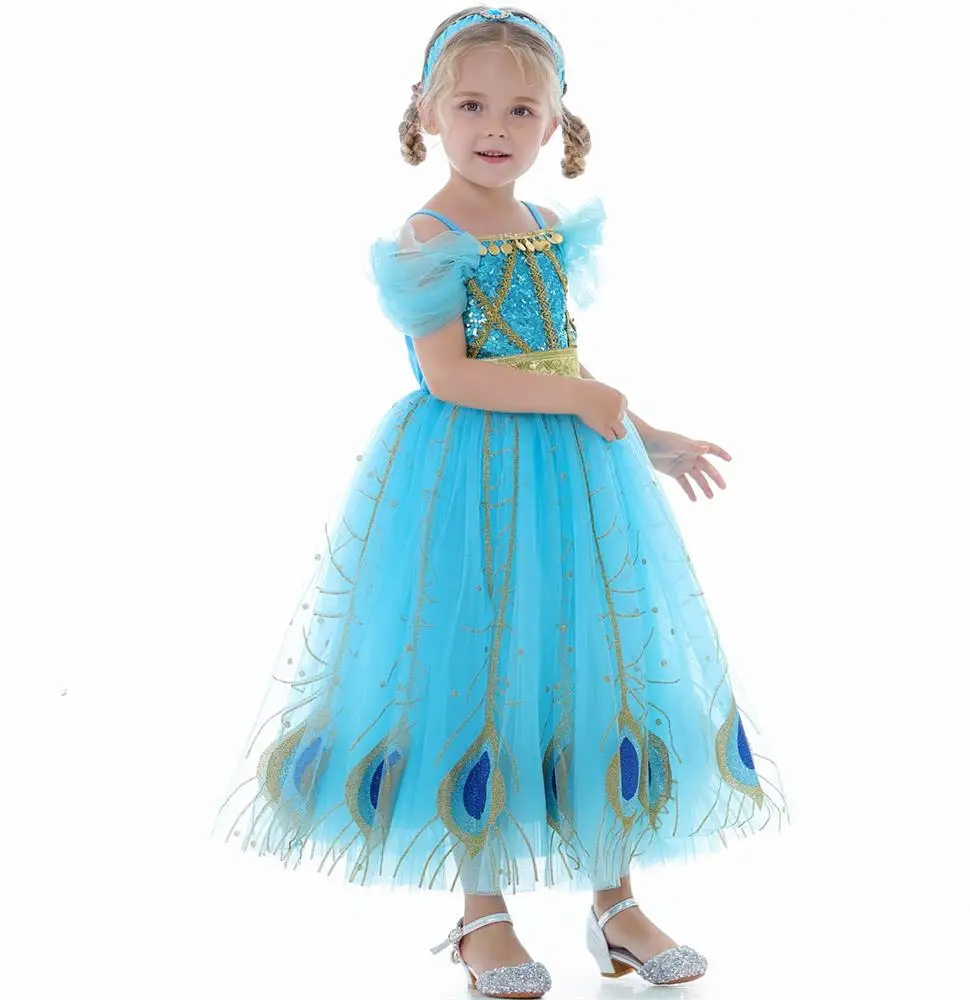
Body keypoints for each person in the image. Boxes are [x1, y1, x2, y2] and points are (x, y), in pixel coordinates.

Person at [212, 6, 790, 997]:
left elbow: (563, 359)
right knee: (476, 671)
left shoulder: (545, 227)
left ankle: (615, 901)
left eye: (522, 109)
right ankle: (481, 911)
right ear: (427, 114)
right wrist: (581, 401)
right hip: (467, 481)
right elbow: (449, 374)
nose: (496, 126)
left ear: (555, 123)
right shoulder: (428, 236)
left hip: (573, 480)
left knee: (591, 666)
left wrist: (646, 435)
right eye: (472, 104)